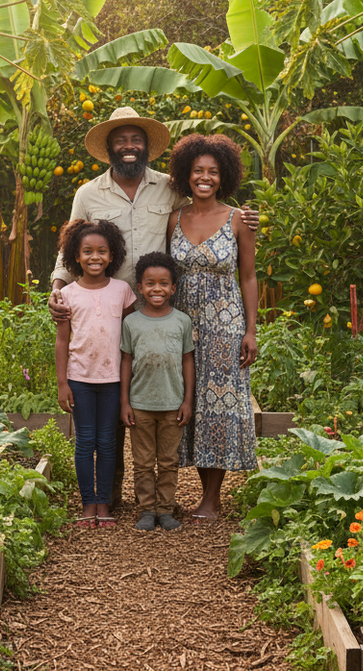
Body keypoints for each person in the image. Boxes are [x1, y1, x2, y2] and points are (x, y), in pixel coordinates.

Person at [49, 107, 258, 511]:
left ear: (147, 146)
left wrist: (250, 218)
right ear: (109, 147)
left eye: (136, 139)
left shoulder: (169, 189)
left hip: (160, 310)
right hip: (104, 311)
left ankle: (166, 495)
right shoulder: (88, 194)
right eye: (121, 140)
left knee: (165, 396)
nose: (129, 147)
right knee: (113, 397)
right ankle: (108, 497)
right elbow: (68, 249)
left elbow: (211, 202)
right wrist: (58, 289)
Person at [166, 133, 258, 519]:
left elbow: (250, 277)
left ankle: (211, 498)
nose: (205, 178)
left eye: (213, 172)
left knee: (219, 404)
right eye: (198, 171)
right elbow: (163, 272)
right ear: (186, 175)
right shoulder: (174, 218)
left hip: (225, 324)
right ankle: (182, 491)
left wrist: (251, 331)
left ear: (224, 177)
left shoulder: (239, 219)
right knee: (189, 402)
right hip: (184, 323)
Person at [54, 219, 136, 529]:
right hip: (80, 379)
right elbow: (62, 342)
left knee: (108, 443)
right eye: (87, 251)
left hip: (113, 380)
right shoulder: (68, 295)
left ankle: (105, 503)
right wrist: (63, 384)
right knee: (85, 442)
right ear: (76, 255)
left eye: (102, 251)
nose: (95, 257)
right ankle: (88, 504)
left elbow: (129, 339)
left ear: (112, 255)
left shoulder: (123, 291)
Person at [120, 252, 195, 532]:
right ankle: (146, 510)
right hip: (140, 404)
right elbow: (126, 361)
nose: (157, 289)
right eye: (150, 283)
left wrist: (187, 400)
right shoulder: (132, 323)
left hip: (172, 404)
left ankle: (165, 509)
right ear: (140, 287)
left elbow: (188, 360)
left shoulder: (182, 321)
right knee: (142, 462)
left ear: (173, 288)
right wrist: (125, 401)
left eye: (164, 283)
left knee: (168, 461)